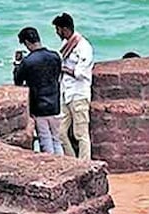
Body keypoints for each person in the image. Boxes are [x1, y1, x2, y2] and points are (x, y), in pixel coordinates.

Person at [12, 27, 63, 155]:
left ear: (27, 42)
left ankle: (51, 165)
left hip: (39, 107)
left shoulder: (28, 62)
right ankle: (62, 162)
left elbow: (18, 81)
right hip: (55, 105)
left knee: (45, 140)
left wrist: (17, 64)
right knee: (56, 140)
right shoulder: (55, 56)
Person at [52, 13, 94, 160]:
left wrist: (64, 69)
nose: (57, 33)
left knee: (81, 134)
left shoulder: (83, 47)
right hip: (66, 94)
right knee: (60, 133)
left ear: (64, 29)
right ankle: (72, 160)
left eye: (58, 30)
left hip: (79, 94)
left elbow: (82, 72)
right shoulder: (66, 45)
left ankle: (85, 163)